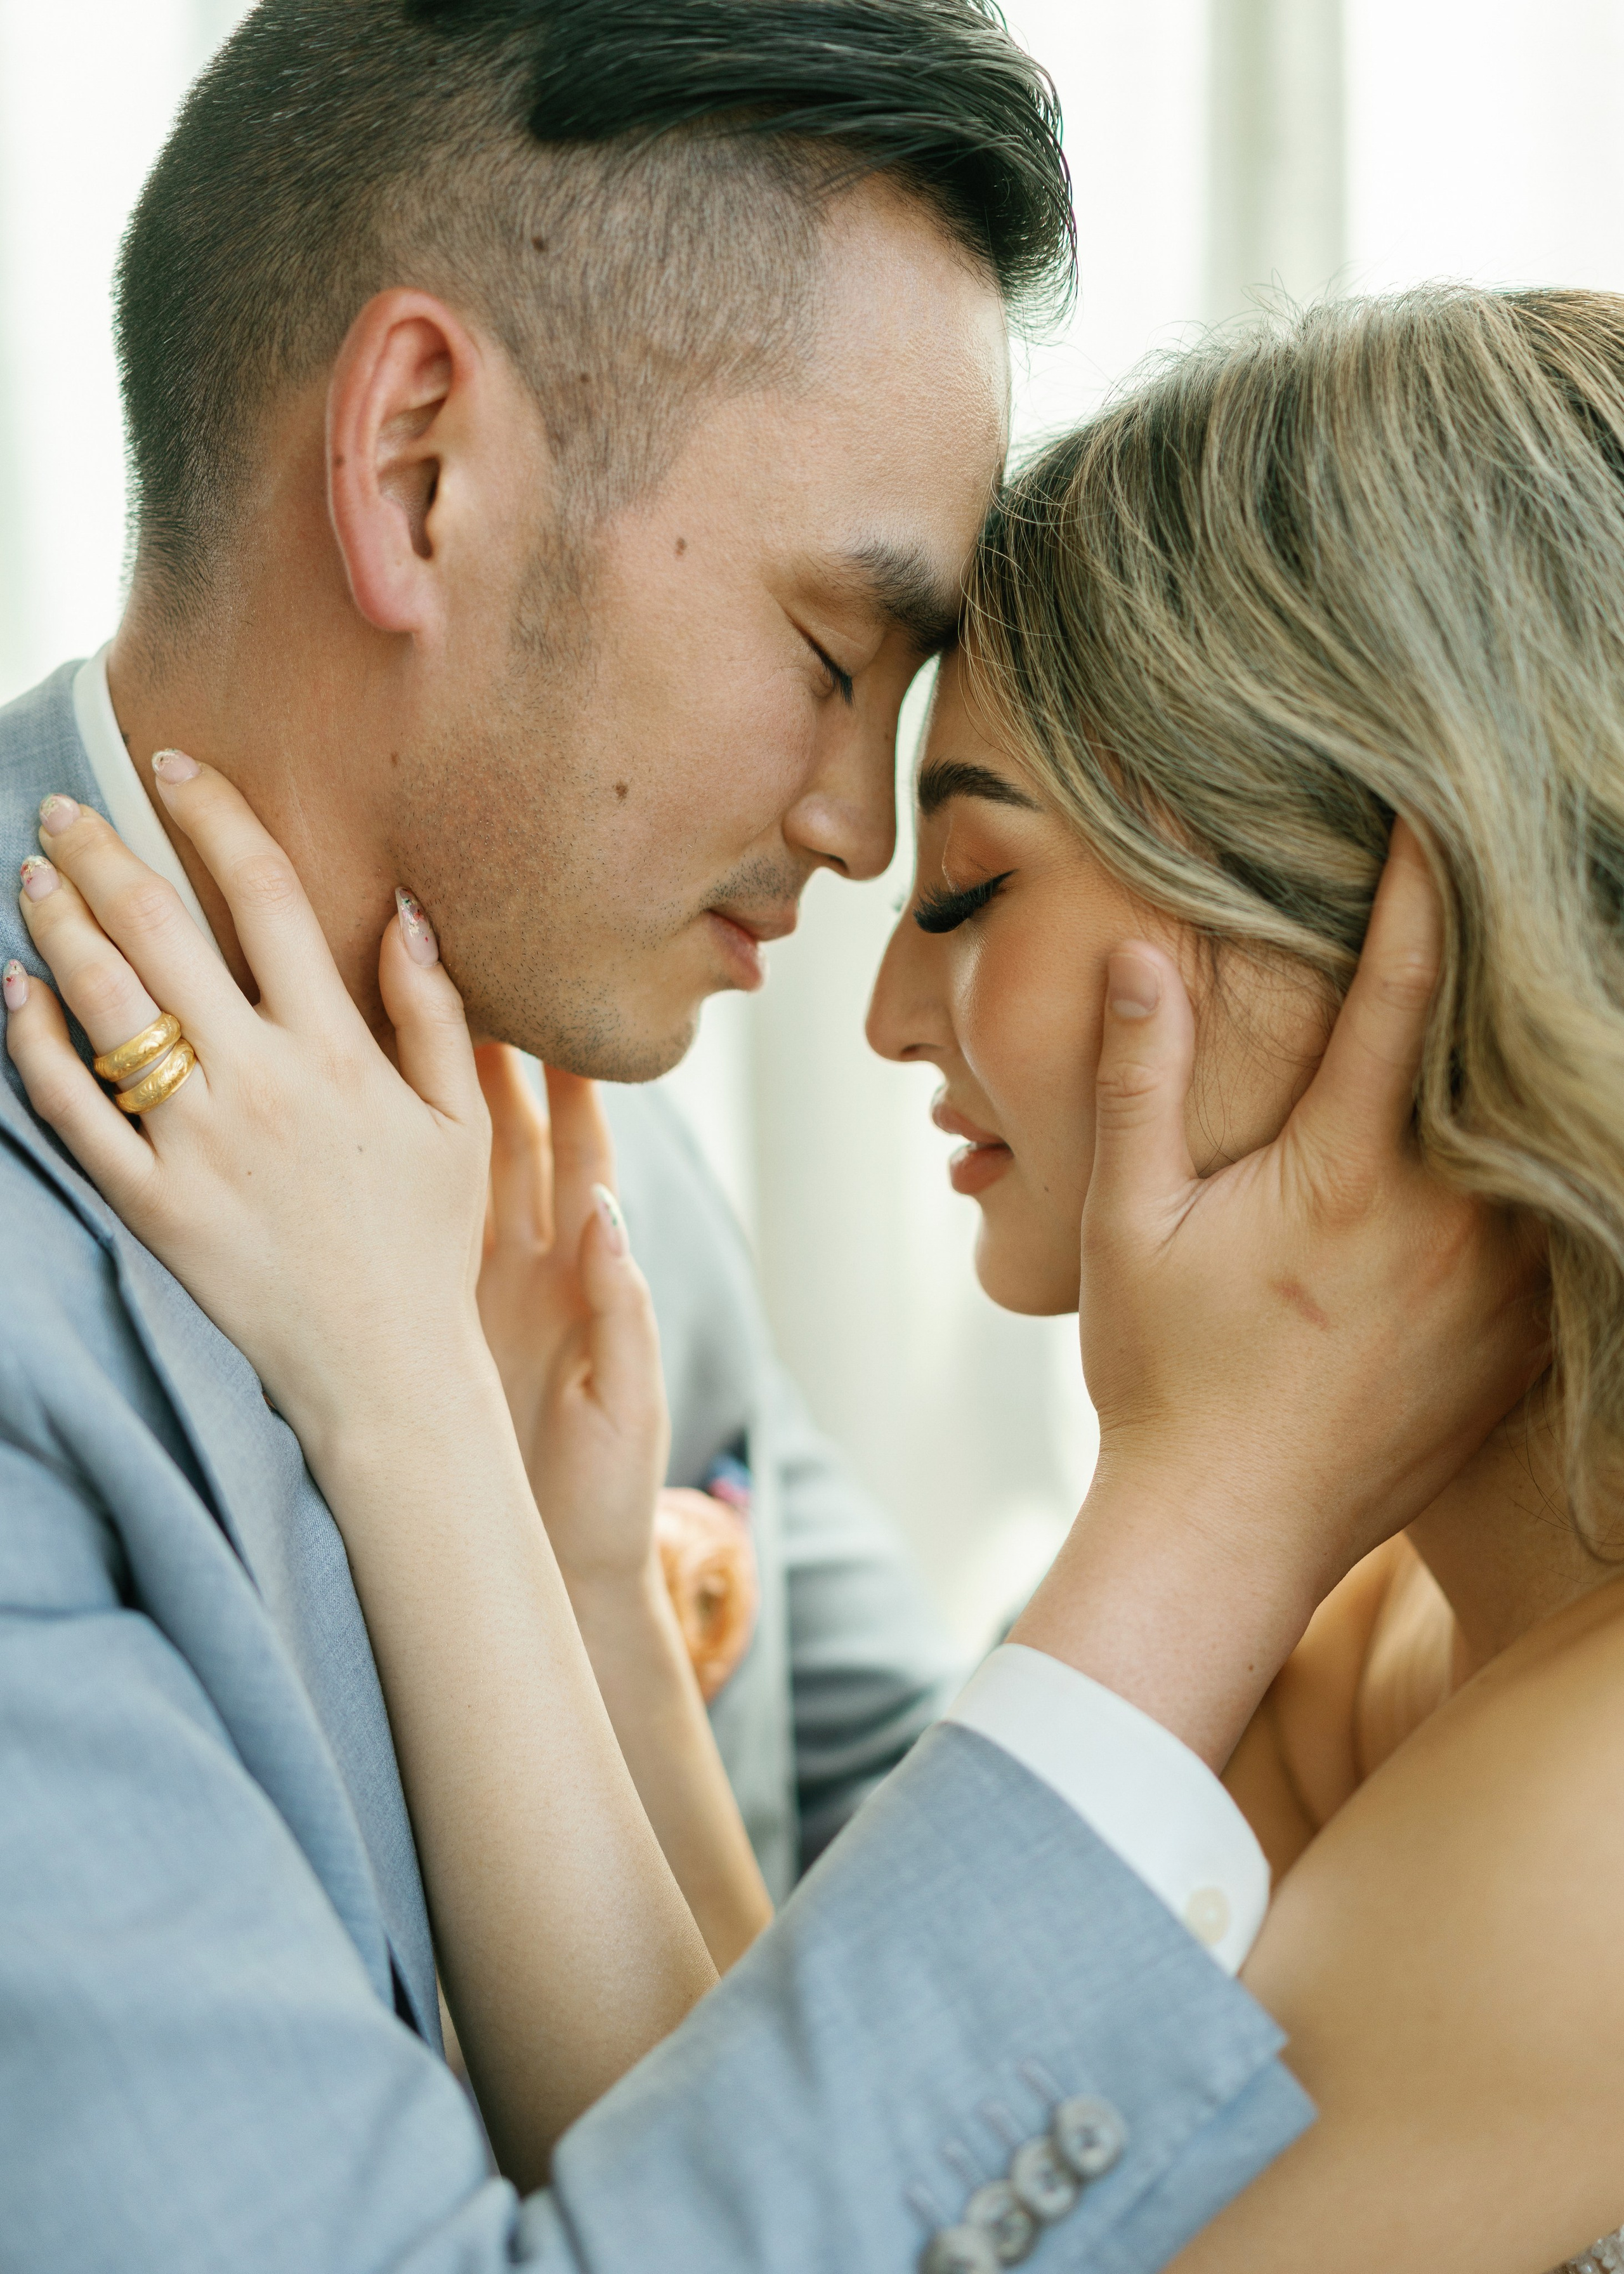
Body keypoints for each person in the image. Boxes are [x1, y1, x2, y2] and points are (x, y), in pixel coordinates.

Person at [0, 1, 1541, 2267]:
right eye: (838, 658)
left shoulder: (620, 1202)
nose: (851, 840)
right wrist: (1217, 1509)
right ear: (421, 466)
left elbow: (878, 1988)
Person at [863, 283, 1624, 2270]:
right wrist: (513, 1528)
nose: (883, 1012)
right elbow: (828, 2195)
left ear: (1382, 904)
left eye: (963, 891)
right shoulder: (1393, 1638)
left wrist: (1191, 1488)